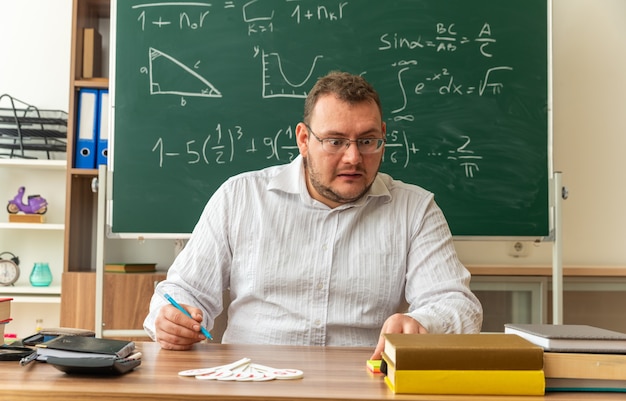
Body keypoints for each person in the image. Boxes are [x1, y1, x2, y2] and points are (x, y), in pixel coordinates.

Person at [143, 71, 483, 360]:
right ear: (304, 139)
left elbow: (456, 304)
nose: (353, 157)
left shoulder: (416, 209)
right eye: (335, 141)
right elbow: (182, 291)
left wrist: (422, 323)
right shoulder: (240, 197)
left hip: (364, 385)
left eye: (368, 141)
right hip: (251, 382)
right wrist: (169, 319)